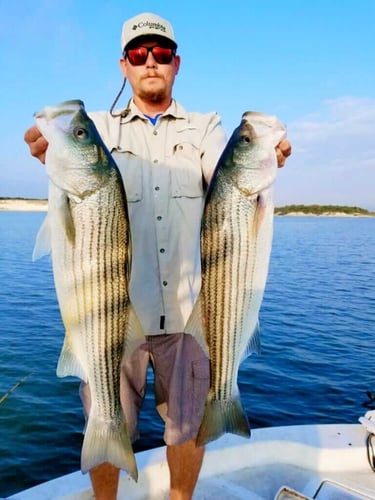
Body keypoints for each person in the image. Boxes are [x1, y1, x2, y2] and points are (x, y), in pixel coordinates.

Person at [24, 12, 292, 500]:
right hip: (110, 314)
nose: (151, 61)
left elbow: (227, 174)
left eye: (161, 54)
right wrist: (52, 147)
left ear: (176, 64)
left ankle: (180, 498)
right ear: (123, 65)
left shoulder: (207, 128)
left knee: (187, 429)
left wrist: (261, 155)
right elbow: (58, 150)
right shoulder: (98, 128)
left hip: (189, 314)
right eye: (139, 54)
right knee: (105, 418)